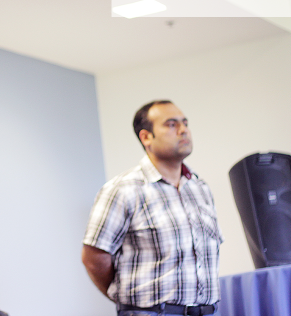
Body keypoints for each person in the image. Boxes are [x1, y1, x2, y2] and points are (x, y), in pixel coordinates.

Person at [82, 100, 223, 316]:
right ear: (146, 137)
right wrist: (131, 302)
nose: (183, 130)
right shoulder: (123, 189)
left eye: (185, 123)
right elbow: (94, 258)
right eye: (171, 124)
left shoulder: (200, 187)